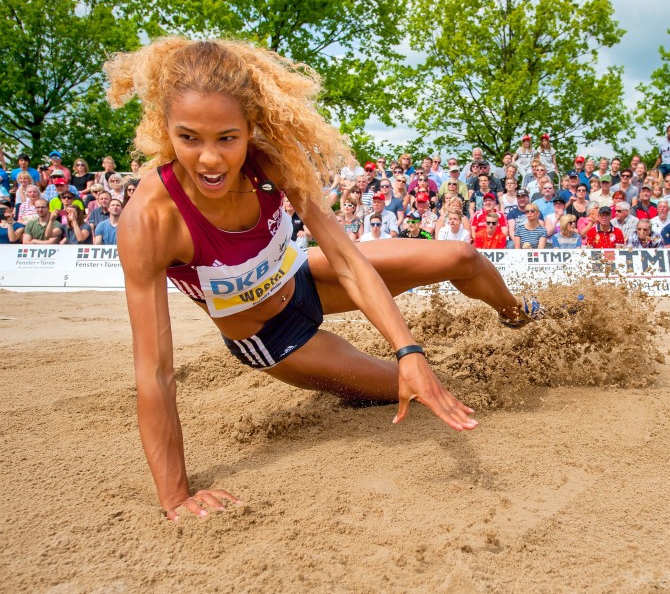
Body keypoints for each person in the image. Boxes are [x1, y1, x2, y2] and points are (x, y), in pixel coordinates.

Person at [106, 38, 538, 520]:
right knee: (421, 387)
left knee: (462, 255)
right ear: (164, 130)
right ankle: (362, 383)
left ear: (250, 128)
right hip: (276, 339)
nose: (210, 159)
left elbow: (349, 261)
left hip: (304, 277)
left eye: (227, 138)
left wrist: (408, 346)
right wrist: (175, 495)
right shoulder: (150, 222)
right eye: (189, 138)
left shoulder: (268, 162)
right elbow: (155, 371)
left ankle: (522, 316)